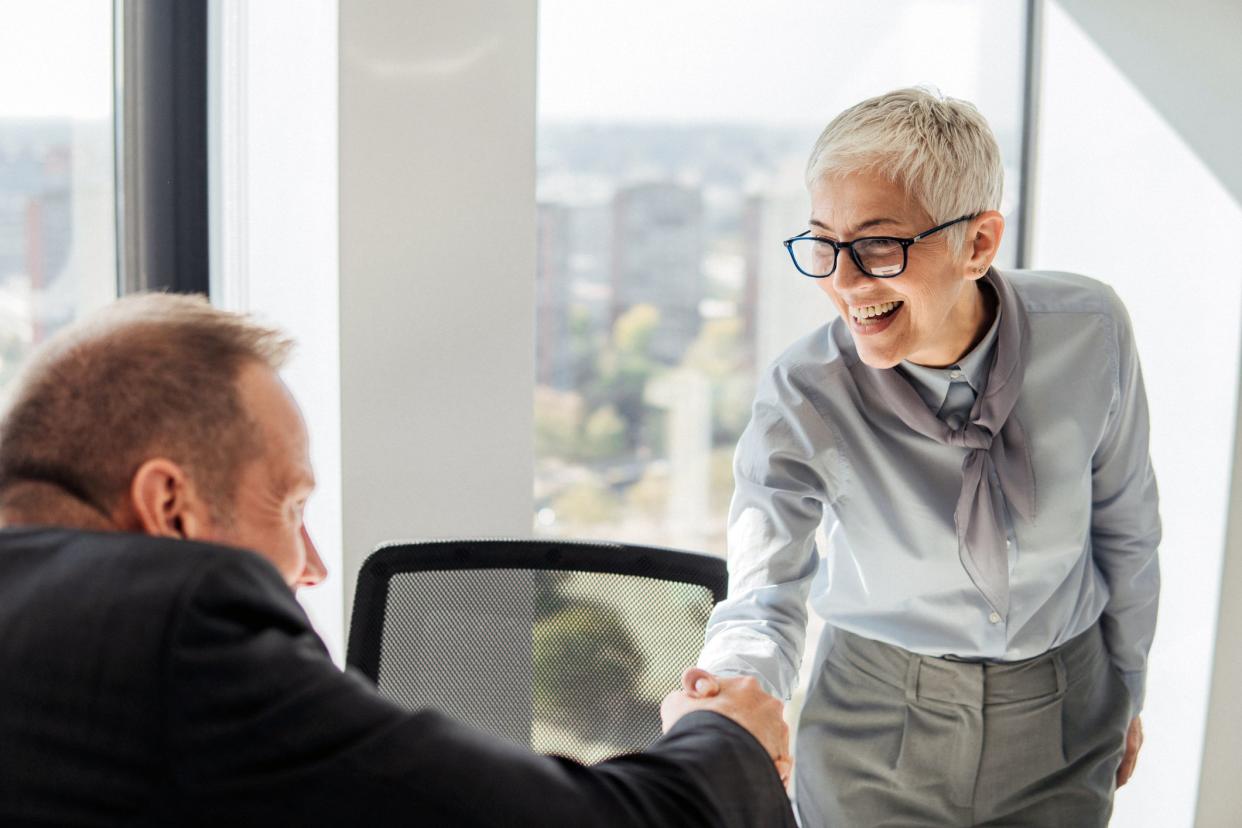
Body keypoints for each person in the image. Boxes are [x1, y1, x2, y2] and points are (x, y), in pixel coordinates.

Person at [0, 293, 796, 827]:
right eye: (290, 506)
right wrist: (725, 739)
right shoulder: (178, 627)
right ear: (170, 505)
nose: (309, 564)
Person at [695, 87, 1159, 826]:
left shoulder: (1091, 330)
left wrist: (1128, 690)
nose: (845, 283)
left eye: (879, 245)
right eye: (824, 242)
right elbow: (764, 592)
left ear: (977, 244)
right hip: (871, 729)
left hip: (1067, 715)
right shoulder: (804, 392)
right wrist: (729, 695)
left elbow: (1126, 528)